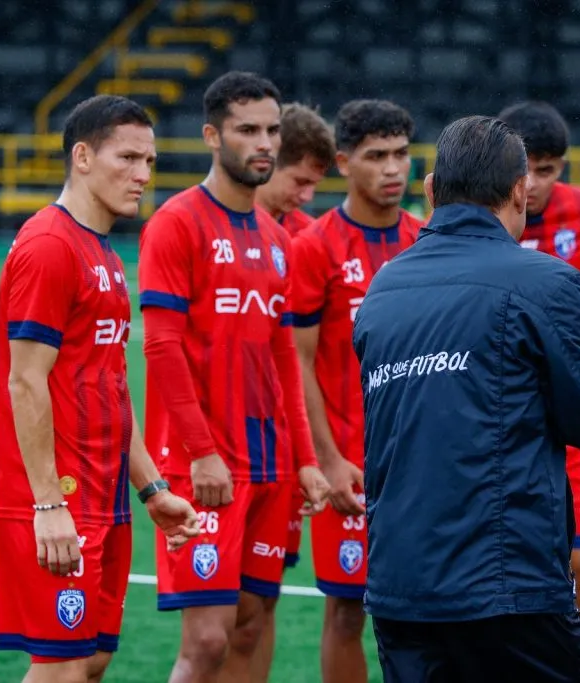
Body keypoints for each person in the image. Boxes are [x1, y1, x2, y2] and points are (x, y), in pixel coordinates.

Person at [352, 115, 580, 682]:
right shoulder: (546, 280)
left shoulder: (383, 286)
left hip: (399, 583)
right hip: (508, 586)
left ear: (432, 189)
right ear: (519, 191)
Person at [0, 94, 200, 683]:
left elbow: (109, 386)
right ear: (81, 156)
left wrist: (152, 487)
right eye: (128, 158)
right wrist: (48, 506)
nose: (143, 175)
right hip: (62, 498)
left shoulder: (101, 252)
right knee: (62, 668)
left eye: (151, 162)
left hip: (105, 494)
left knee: (93, 660)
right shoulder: (51, 246)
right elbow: (24, 382)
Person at [137, 71, 329, 683]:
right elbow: (162, 347)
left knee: (250, 621)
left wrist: (303, 458)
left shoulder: (278, 241)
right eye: (248, 130)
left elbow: (283, 363)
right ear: (212, 136)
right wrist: (200, 452)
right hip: (206, 462)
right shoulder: (176, 222)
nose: (264, 143)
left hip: (269, 463)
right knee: (208, 640)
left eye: (272, 130)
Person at [289, 98, 422, 683]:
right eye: (376, 157)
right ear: (344, 162)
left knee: (431, 613)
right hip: (353, 464)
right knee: (347, 612)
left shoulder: (429, 240)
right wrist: (328, 458)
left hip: (426, 464)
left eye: (401, 155)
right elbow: (298, 360)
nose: (393, 169)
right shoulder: (314, 247)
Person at [498, 100, 580, 662]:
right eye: (532, 168)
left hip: (568, 413)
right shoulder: (484, 217)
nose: (542, 183)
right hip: (499, 417)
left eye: (553, 168)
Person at [251, 98, 335, 682]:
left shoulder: (303, 239)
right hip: (219, 451)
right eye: (299, 181)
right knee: (213, 624)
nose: (307, 197)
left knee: (260, 605)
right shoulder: (197, 227)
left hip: (285, 453)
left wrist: (309, 456)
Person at [255, 101, 335, 237]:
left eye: (314, 184)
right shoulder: (212, 224)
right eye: (301, 182)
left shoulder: (311, 239)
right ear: (267, 162)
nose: (308, 197)